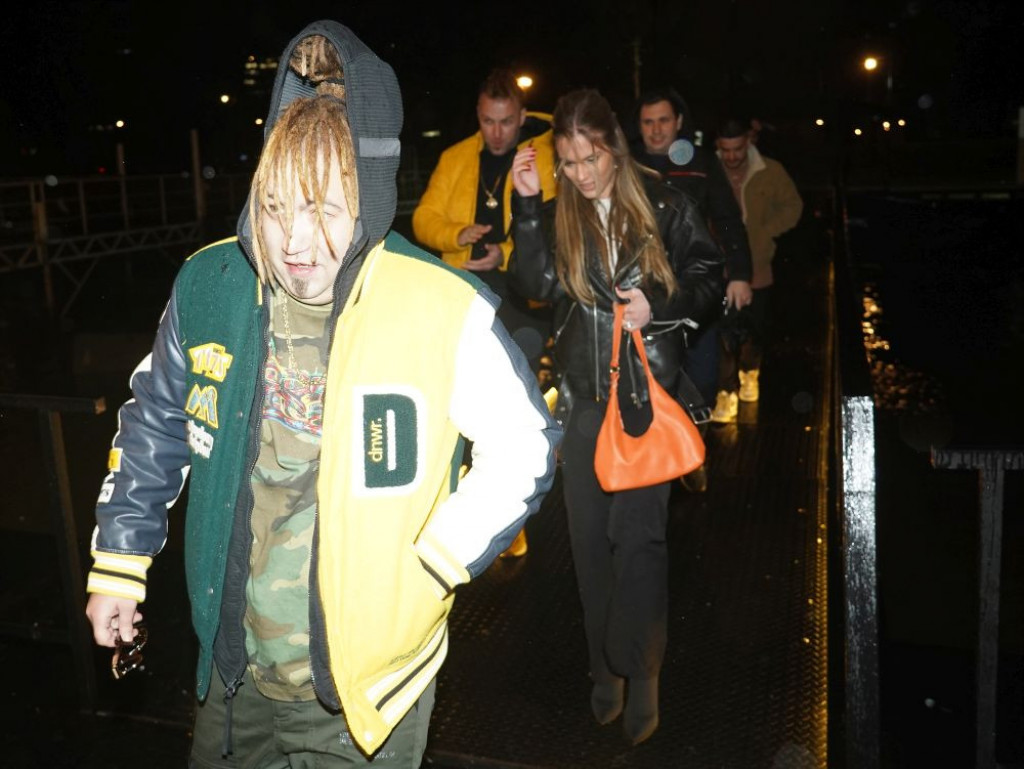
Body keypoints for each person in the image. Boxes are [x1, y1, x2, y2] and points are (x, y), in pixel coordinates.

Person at [84, 20, 560, 768]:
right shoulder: (211, 286)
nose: (295, 241)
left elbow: (525, 443)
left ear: (367, 198)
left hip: (367, 690)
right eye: (276, 207)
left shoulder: (441, 306)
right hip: (232, 671)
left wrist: (437, 560)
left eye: (324, 210)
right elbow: (155, 419)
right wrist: (120, 559)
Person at [508, 89, 723, 745]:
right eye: (569, 163)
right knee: (588, 546)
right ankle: (604, 665)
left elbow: (709, 276)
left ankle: (643, 670)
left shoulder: (663, 203)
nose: (581, 174)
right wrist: (526, 207)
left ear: (614, 148)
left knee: (640, 543)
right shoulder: (557, 213)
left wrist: (661, 306)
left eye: (591, 158)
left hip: (642, 400)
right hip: (582, 401)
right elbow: (533, 285)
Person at [413, 68, 558, 557]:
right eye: (489, 121)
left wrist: (505, 253)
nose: (498, 132)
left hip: (520, 296)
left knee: (513, 407)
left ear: (522, 116)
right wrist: (458, 235)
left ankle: (511, 517)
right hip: (464, 290)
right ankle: (469, 507)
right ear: (478, 115)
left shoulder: (541, 158)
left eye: (507, 121)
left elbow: (551, 232)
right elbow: (424, 218)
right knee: (461, 402)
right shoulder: (455, 157)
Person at [632, 87, 753, 490]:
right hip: (646, 292)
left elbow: (729, 219)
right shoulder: (626, 165)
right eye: (648, 122)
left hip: (694, 287)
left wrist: (740, 273)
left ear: (679, 122)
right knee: (651, 378)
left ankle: (692, 447)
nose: (656, 130)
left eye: (663, 120)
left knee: (702, 373)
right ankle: (660, 456)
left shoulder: (701, 164)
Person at [710, 117, 803, 422]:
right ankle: (725, 392)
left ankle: (750, 373)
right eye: (725, 150)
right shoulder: (709, 171)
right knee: (722, 333)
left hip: (758, 268)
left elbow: (793, 206)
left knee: (754, 329)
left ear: (748, 142)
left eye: (737, 149)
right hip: (718, 269)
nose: (731, 156)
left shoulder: (770, 171)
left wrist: (765, 232)